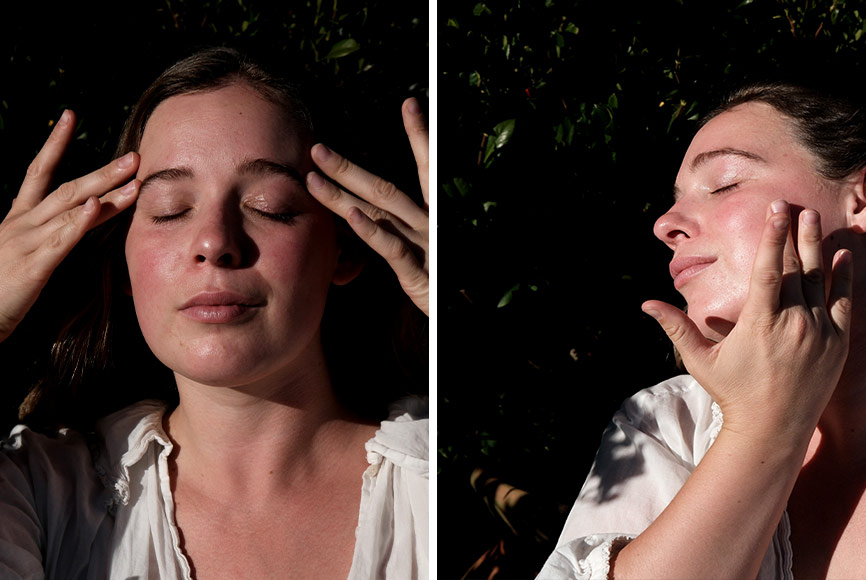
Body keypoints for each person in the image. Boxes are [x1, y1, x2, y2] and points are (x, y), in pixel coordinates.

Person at [0, 47, 428, 579]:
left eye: (269, 207)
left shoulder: (438, 485)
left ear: (346, 246)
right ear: (124, 262)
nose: (214, 242)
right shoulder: (39, 496)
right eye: (169, 211)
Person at [539, 79, 866, 579]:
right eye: (675, 200)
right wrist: (764, 424)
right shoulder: (668, 425)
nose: (664, 224)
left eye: (724, 183)